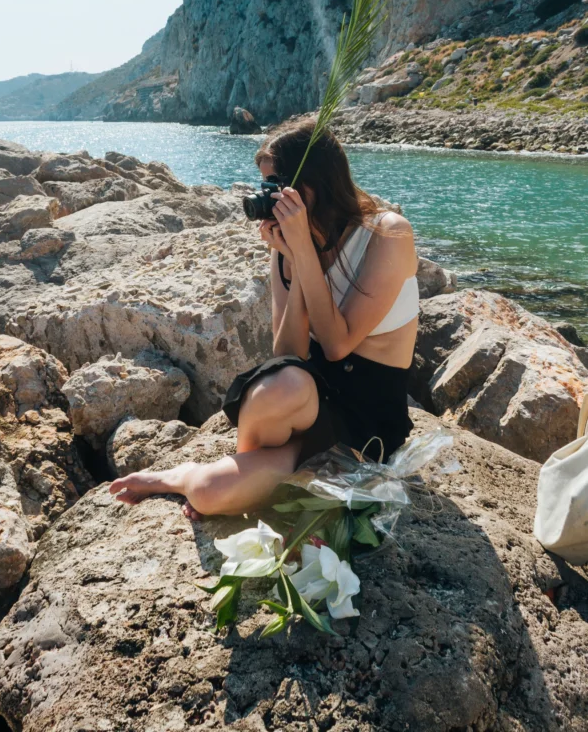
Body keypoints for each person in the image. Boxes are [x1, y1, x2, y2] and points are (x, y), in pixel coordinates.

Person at [110, 118, 419, 519]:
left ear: (315, 182)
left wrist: (304, 252)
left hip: (368, 420)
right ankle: (250, 464)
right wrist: (293, 256)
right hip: (307, 399)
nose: (269, 198)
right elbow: (287, 352)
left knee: (208, 492)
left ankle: (186, 474)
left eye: (277, 186)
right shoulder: (288, 247)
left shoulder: (386, 233)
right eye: (265, 187)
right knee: (281, 383)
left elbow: (338, 344)